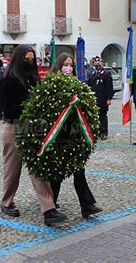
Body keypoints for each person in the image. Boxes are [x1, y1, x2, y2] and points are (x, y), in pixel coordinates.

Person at [0, 44, 67, 225]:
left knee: (38, 167)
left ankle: (49, 209)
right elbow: (6, 108)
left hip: (32, 127)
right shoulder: (8, 79)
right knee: (12, 169)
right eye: (26, 60)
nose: (29, 63)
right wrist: (29, 107)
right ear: (18, 60)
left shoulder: (34, 78)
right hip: (14, 126)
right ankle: (6, 201)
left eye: (32, 59)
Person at [48, 53, 102, 217]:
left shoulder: (77, 84)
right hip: (58, 134)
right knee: (56, 173)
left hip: (74, 134)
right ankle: (49, 205)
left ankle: (87, 205)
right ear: (58, 65)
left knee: (79, 170)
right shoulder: (51, 85)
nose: (68, 68)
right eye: (65, 64)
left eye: (71, 65)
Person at [87, 56, 114, 140]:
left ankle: (103, 132)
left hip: (103, 99)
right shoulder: (92, 74)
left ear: (102, 63)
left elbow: (109, 87)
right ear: (93, 63)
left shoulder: (106, 74)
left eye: (99, 62)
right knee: (94, 116)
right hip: (94, 98)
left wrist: (109, 98)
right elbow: (89, 85)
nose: (97, 63)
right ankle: (96, 132)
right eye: (96, 62)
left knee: (102, 116)